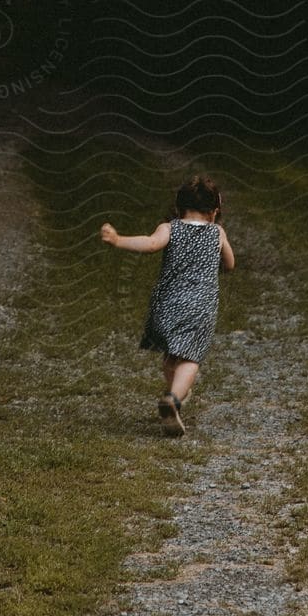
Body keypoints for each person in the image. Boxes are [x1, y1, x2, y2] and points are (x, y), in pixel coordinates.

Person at [99, 174, 235, 437]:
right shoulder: (217, 232)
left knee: (171, 358)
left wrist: (119, 240)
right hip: (199, 307)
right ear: (215, 210)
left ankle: (174, 399)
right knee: (190, 357)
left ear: (178, 205)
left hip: (166, 305)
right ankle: (173, 399)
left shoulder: (169, 228)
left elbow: (150, 245)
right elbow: (229, 265)